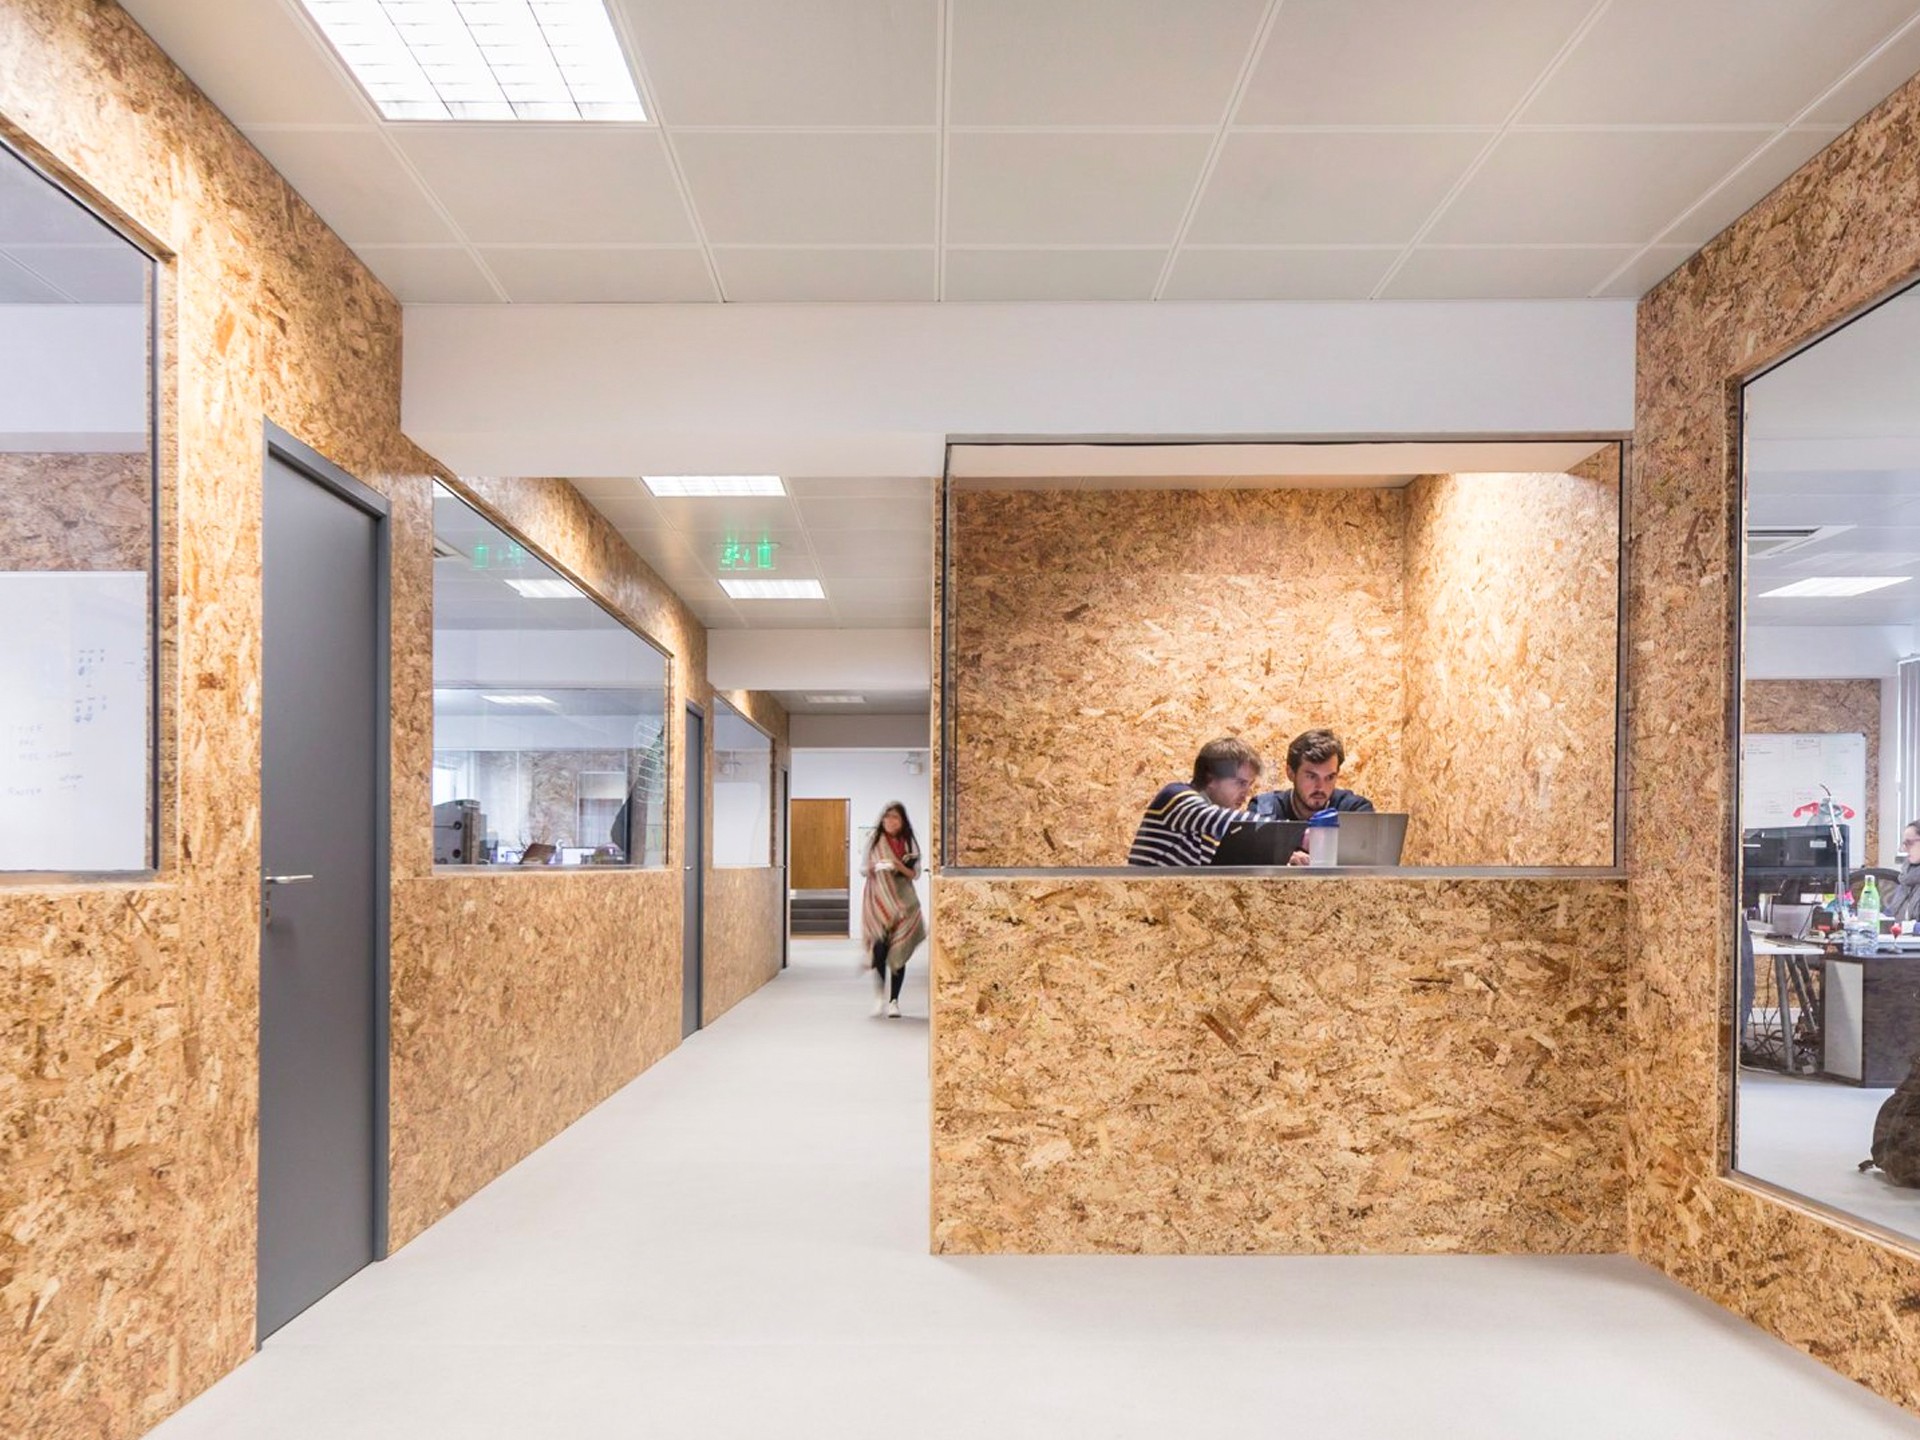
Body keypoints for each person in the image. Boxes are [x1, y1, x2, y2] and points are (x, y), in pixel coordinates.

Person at [1127, 737, 1263, 867]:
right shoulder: (1176, 797)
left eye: (1249, 785)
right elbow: (1229, 821)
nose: (1246, 793)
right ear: (1211, 778)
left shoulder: (1211, 832)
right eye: (1240, 783)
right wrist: (1275, 830)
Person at [1249, 727, 1374, 864]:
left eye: (1330, 777)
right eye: (1311, 776)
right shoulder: (1265, 807)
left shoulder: (1355, 811)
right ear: (1290, 773)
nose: (1321, 787)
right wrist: (1282, 858)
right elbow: (1251, 855)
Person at [861, 802, 926, 1018]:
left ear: (902, 821)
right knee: (879, 951)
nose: (890, 821)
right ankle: (879, 996)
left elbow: (914, 874)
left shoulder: (909, 843)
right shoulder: (874, 841)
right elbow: (863, 869)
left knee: (898, 953)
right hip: (879, 900)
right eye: (887, 817)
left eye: (895, 818)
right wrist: (874, 867)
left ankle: (894, 1001)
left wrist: (897, 866)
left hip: (904, 902)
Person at [1885, 821, 1920, 926]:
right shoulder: (1907, 876)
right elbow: (1890, 914)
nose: (1904, 849)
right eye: (1904, 844)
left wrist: (1907, 928)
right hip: (1904, 941)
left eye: (1909, 843)